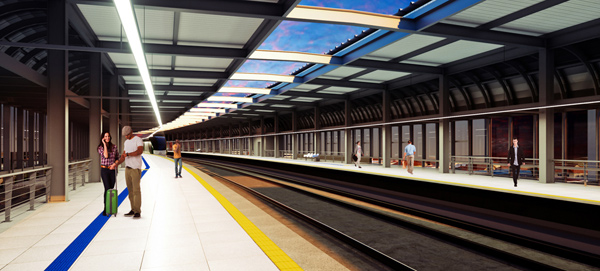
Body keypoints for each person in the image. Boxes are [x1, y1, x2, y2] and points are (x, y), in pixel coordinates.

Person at [110, 126, 144, 218]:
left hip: (135, 168)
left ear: (131, 132)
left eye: (127, 135)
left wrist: (128, 154)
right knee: (130, 191)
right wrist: (116, 163)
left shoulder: (138, 140)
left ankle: (137, 211)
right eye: (125, 135)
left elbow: (140, 151)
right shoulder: (126, 142)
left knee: (136, 190)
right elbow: (123, 156)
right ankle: (133, 209)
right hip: (127, 168)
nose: (126, 136)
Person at [98, 131, 118, 216]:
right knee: (107, 188)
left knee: (111, 188)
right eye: (105, 136)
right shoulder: (100, 147)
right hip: (104, 170)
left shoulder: (114, 147)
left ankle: (111, 207)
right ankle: (105, 208)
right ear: (103, 138)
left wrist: (115, 164)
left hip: (112, 170)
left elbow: (117, 157)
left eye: (108, 136)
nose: (107, 138)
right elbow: (106, 155)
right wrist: (104, 144)